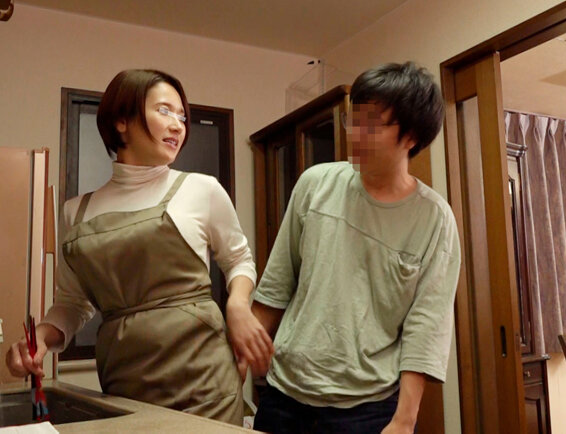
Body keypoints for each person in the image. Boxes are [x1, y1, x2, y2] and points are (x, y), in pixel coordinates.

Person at [4, 69, 272, 424]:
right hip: (124, 382)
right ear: (121, 121)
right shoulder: (75, 212)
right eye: (164, 111)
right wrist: (40, 338)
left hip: (206, 379)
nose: (178, 125)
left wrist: (237, 305)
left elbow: (239, 260)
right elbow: (72, 304)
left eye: (182, 117)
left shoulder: (201, 189)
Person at [251, 62, 461, 434]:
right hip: (284, 396)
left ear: (411, 136)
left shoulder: (434, 219)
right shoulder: (315, 184)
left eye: (373, 124)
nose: (356, 134)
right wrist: (237, 362)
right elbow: (276, 285)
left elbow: (426, 327)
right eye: (354, 120)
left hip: (368, 410)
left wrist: (404, 420)